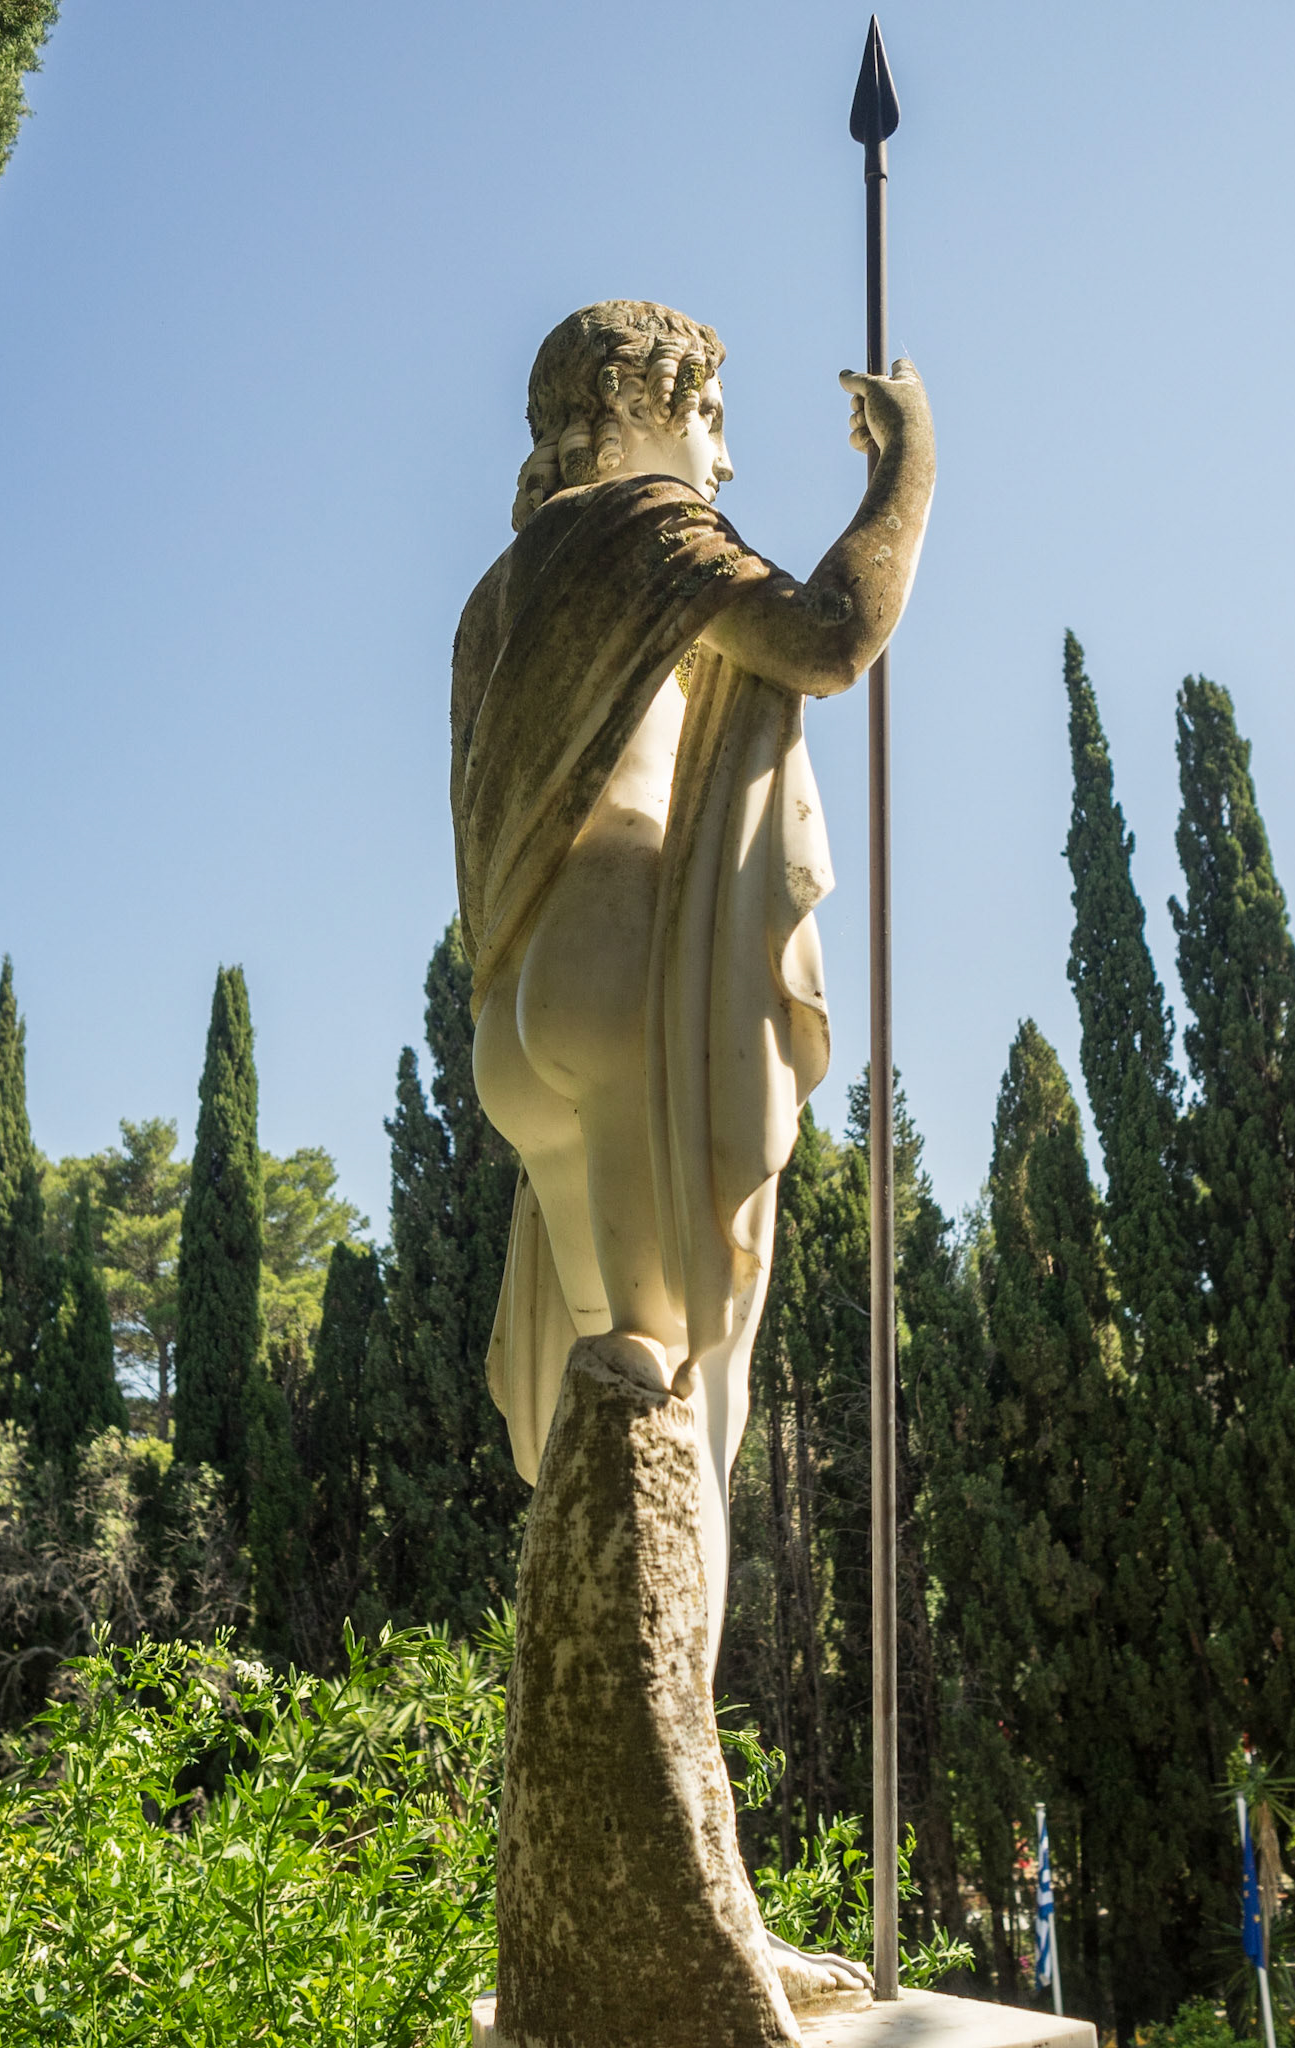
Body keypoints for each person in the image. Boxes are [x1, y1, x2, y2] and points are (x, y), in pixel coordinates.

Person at [452, 299, 934, 1674]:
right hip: (620, 984)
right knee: (686, 1411)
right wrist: (912, 467)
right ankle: (663, 1768)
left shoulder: (499, 591)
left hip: (521, 1017)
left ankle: (592, 1727)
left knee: (604, 1412)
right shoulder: (646, 530)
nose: (720, 466)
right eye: (712, 421)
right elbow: (831, 637)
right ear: (648, 397)